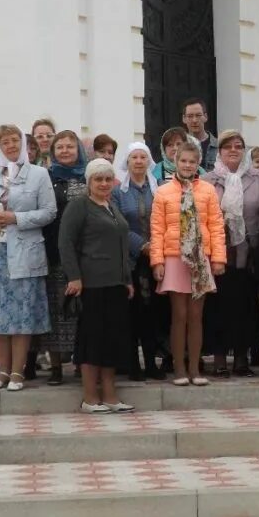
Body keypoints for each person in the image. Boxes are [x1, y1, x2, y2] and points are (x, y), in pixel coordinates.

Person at [0, 125, 55, 392]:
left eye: (15, 140)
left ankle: (18, 373)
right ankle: (2, 371)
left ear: (23, 143)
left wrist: (15, 218)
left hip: (24, 252)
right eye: (5, 142)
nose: (11, 146)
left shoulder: (39, 174)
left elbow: (49, 212)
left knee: (20, 314)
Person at [59, 158, 135, 414]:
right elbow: (66, 243)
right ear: (88, 182)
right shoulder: (79, 206)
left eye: (107, 179)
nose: (103, 184)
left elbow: (122, 245)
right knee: (92, 340)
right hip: (90, 283)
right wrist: (74, 276)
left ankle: (111, 396)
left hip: (115, 284)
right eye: (98, 179)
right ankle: (90, 397)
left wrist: (127, 279)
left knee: (112, 340)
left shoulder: (111, 206)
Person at [150, 140, 226, 386]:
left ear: (198, 164)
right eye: (183, 161)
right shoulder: (163, 192)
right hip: (173, 257)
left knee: (196, 316)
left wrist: (217, 258)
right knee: (179, 315)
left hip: (199, 258)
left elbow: (216, 225)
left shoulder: (207, 190)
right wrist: (157, 261)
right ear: (175, 161)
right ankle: (179, 369)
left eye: (192, 162)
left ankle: (195, 368)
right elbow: (157, 229)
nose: (187, 165)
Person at [203, 130, 259, 377]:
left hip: (246, 254)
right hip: (217, 254)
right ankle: (219, 358)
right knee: (217, 306)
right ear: (219, 152)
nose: (233, 150)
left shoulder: (258, 178)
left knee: (244, 306)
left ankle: (242, 358)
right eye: (227, 146)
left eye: (238, 146)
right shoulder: (208, 180)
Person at [112, 141, 164, 381]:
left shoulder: (159, 189)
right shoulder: (118, 193)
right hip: (130, 260)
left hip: (157, 259)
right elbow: (118, 223)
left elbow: (165, 219)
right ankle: (133, 363)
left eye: (143, 157)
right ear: (128, 162)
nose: (139, 161)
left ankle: (153, 363)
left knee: (153, 313)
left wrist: (156, 247)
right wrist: (141, 245)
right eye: (134, 157)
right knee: (132, 314)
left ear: (149, 161)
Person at [42, 130, 88, 385]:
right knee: (56, 310)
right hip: (54, 252)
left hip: (85, 255)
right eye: (60, 147)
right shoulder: (46, 178)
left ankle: (82, 362)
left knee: (83, 312)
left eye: (70, 146)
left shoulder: (88, 176)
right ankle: (56, 366)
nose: (65, 151)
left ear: (78, 150)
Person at [181, 97, 218, 171]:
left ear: (205, 117)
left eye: (198, 115)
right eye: (190, 116)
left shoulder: (219, 146)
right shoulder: (179, 146)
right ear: (184, 119)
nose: (194, 120)